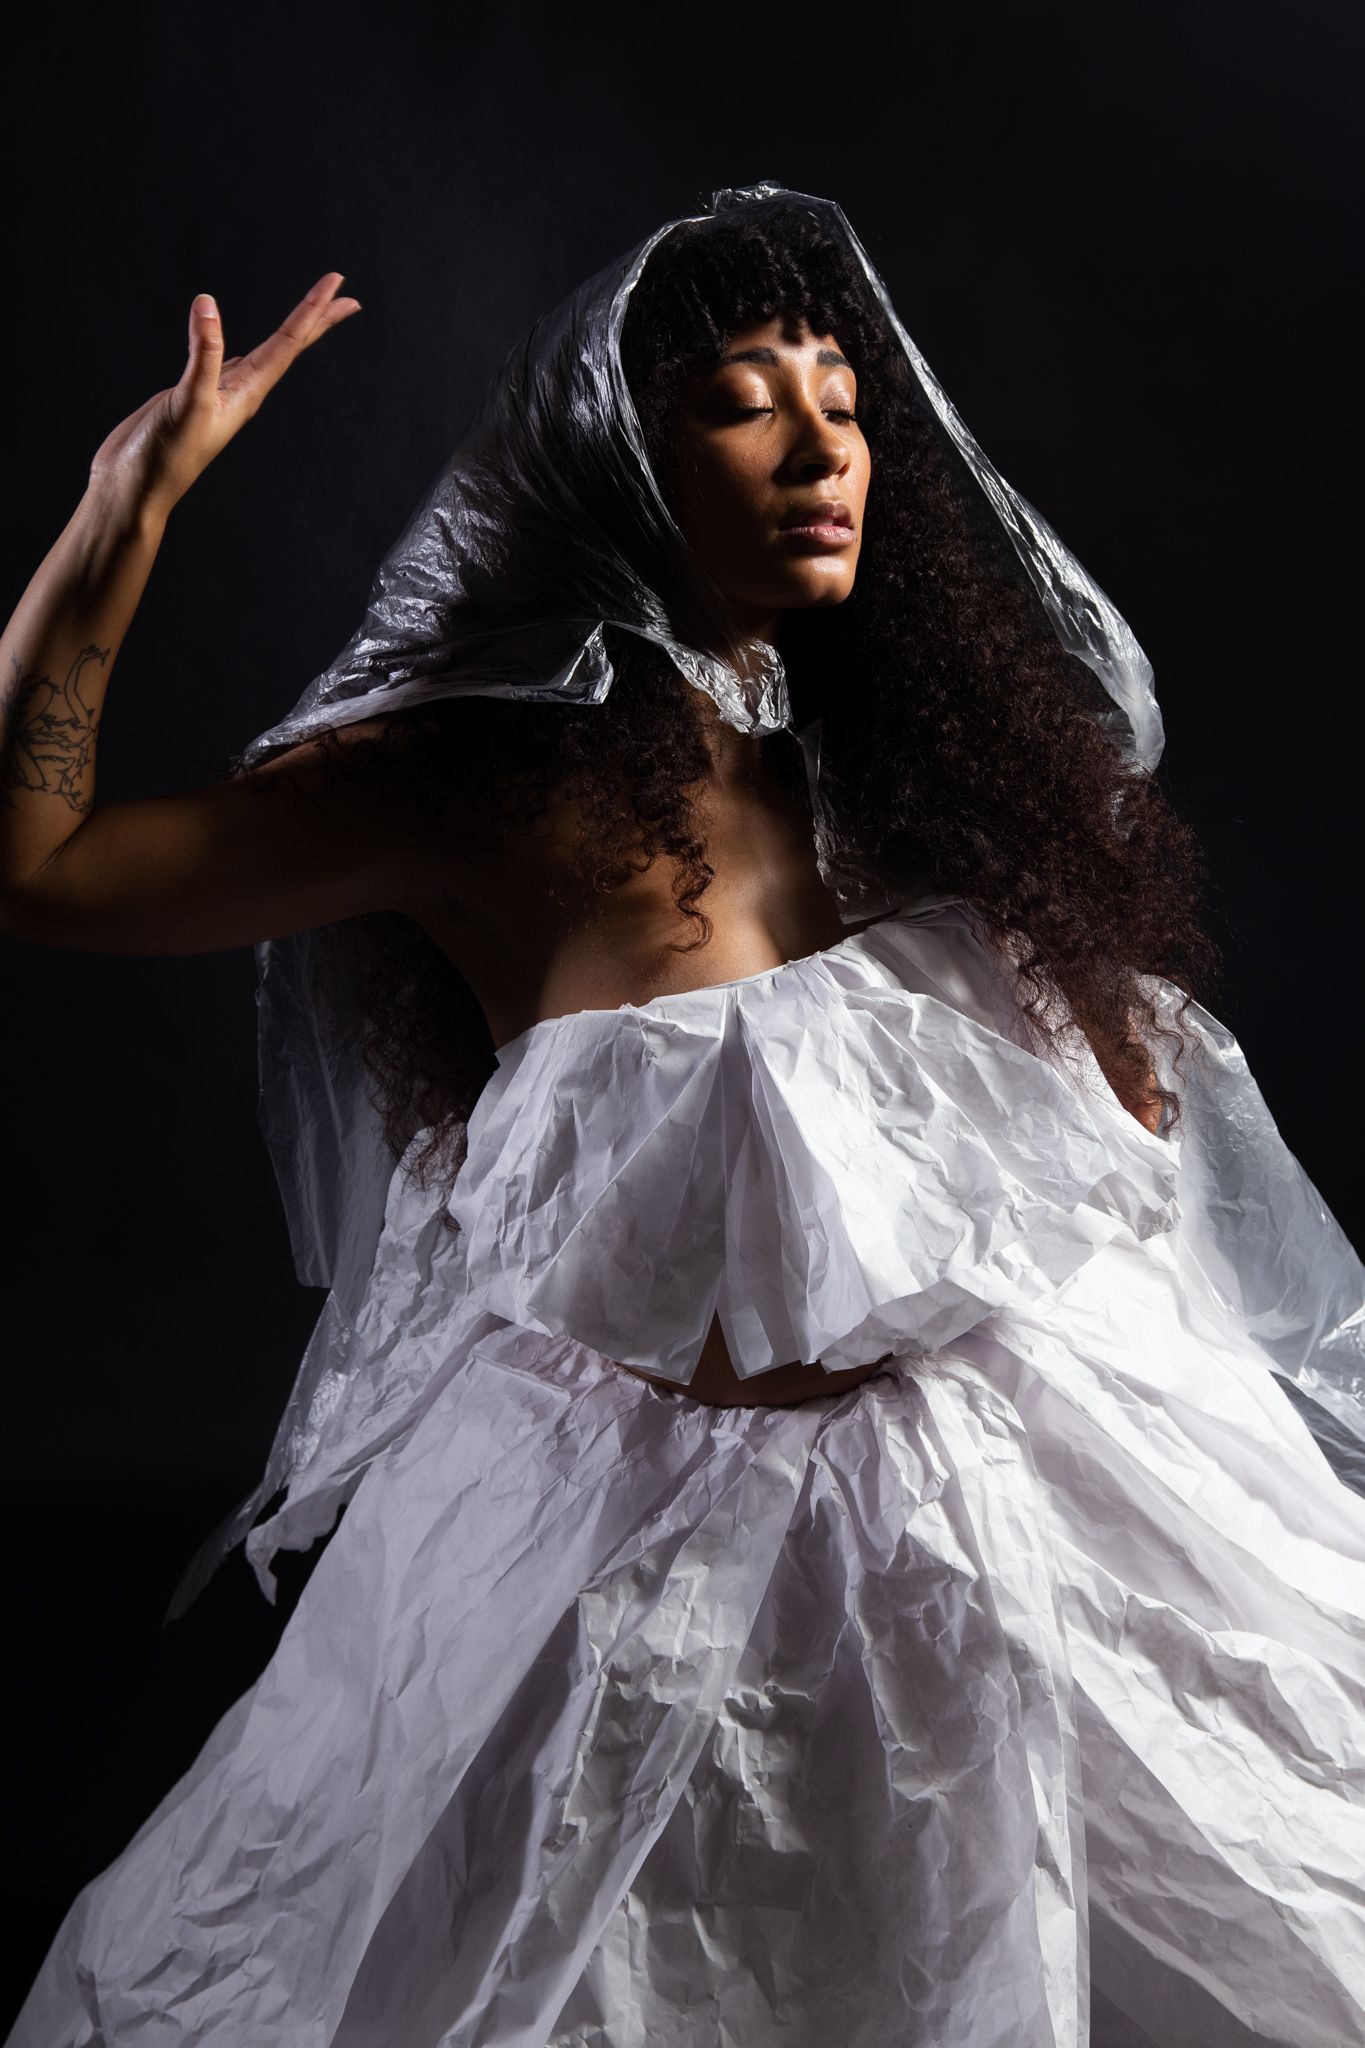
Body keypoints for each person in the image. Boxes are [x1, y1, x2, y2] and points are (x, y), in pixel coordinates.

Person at [4, 185, 1363, 2048]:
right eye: (745, 399)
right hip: (623, 1557)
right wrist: (122, 510)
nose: (823, 444)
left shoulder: (927, 762)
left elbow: (1075, 1145)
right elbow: (44, 865)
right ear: (619, 461)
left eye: (846, 396)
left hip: (1017, 1510)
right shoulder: (479, 786)